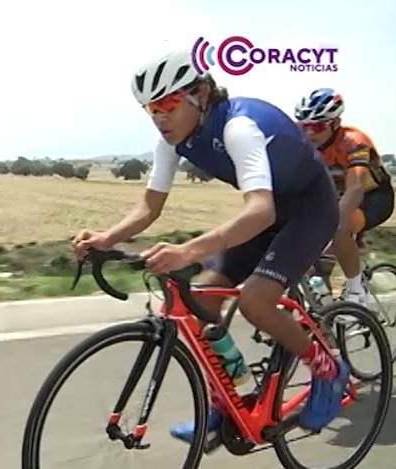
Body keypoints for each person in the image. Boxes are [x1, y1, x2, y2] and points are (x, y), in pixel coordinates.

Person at [71, 48, 350, 445]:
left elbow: (260, 211)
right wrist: (106, 238)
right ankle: (229, 399)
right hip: (268, 212)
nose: (159, 117)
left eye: (168, 104)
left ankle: (328, 370)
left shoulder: (238, 127)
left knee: (255, 302)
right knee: (200, 302)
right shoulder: (171, 142)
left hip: (309, 210)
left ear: (200, 94)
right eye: (151, 108)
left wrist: (188, 251)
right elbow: (149, 207)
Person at [294, 88, 394, 306]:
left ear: (336, 123)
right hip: (338, 197)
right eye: (304, 126)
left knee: (338, 228)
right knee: (318, 265)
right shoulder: (303, 144)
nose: (309, 133)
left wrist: (331, 223)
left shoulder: (353, 141)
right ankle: (325, 314)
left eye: (317, 126)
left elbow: (355, 189)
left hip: (373, 198)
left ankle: (357, 293)